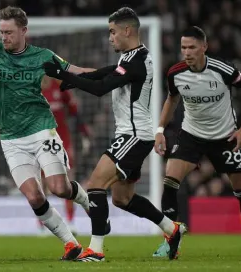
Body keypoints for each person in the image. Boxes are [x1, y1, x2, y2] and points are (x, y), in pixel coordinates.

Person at [0, 7, 100, 260]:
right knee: (34, 196)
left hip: (42, 130)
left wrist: (113, 74)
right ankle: (70, 244)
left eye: (9, 32)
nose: (4, 37)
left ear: (24, 31)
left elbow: (75, 71)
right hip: (11, 139)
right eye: (1, 32)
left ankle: (85, 201)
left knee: (59, 188)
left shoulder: (43, 56)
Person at [43, 7, 187, 262]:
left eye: (112, 32)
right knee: (122, 198)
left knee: (95, 184)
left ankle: (96, 250)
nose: (110, 37)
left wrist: (62, 75)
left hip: (133, 135)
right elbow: (105, 72)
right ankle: (171, 228)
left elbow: (101, 88)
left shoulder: (136, 61)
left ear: (127, 30)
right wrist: (74, 78)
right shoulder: (133, 56)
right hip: (134, 135)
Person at [153, 26, 241, 257]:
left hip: (224, 136)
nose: (187, 52)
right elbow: (172, 99)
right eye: (183, 47)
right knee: (169, 180)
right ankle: (170, 242)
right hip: (191, 135)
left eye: (192, 47)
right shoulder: (175, 73)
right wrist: (159, 129)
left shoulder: (223, 70)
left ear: (204, 48)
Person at [39, 78, 91, 235]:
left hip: (63, 140)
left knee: (67, 180)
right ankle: (44, 225)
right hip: (41, 141)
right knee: (42, 184)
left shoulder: (60, 86)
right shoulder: (32, 88)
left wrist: (85, 134)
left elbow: (75, 112)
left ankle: (71, 221)